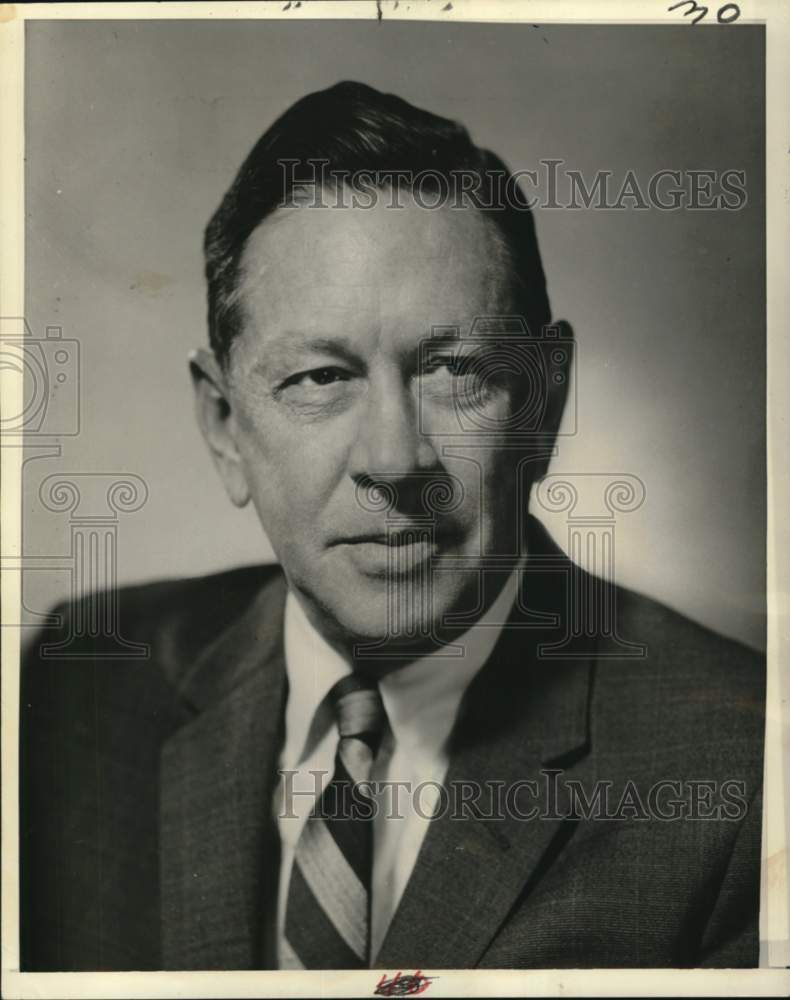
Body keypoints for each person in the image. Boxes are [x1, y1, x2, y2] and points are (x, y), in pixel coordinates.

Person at [20, 81, 765, 971]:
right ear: (224, 425)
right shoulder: (77, 692)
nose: (394, 459)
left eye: (453, 369)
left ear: (543, 400)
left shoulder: (749, 777)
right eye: (320, 379)